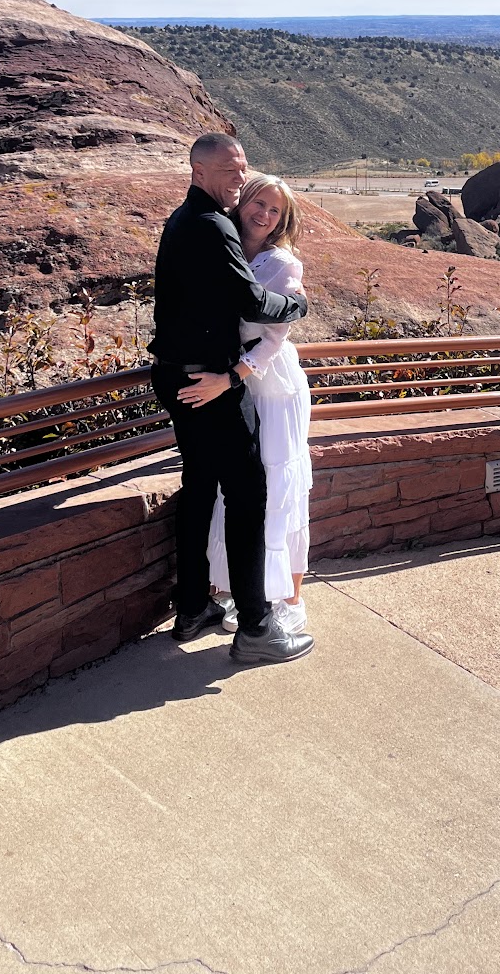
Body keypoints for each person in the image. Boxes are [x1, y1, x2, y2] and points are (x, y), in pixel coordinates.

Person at [149, 132, 315, 666]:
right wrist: (295, 309)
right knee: (247, 497)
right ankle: (258, 628)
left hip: (179, 375)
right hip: (212, 382)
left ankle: (194, 605)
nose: (240, 178)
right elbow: (250, 300)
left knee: (200, 489)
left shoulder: (181, 220)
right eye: (230, 171)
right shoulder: (212, 225)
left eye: (243, 167)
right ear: (199, 172)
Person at [208, 175, 312, 635]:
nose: (265, 215)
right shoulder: (225, 248)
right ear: (242, 203)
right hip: (233, 380)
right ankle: (236, 588)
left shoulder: (282, 265)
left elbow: (273, 337)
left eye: (275, 210)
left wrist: (235, 376)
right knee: (238, 487)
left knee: (277, 485)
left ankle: (288, 598)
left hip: (270, 384)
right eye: (259, 203)